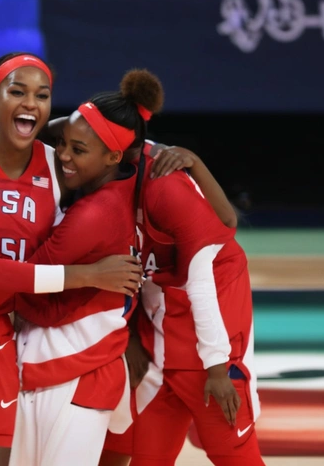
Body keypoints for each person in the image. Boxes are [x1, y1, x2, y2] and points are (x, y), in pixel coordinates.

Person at [0, 68, 165, 466]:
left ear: (113, 156)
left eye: (77, 149)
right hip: (80, 358)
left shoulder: (91, 212)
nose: (63, 156)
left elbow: (15, 284)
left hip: (64, 364)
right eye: (62, 144)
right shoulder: (120, 176)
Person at [100, 116, 265, 465]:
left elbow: (204, 274)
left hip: (212, 350)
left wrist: (218, 368)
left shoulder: (164, 182)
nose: (67, 155)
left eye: (79, 146)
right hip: (159, 349)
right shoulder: (106, 183)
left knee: (236, 457)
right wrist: (131, 337)